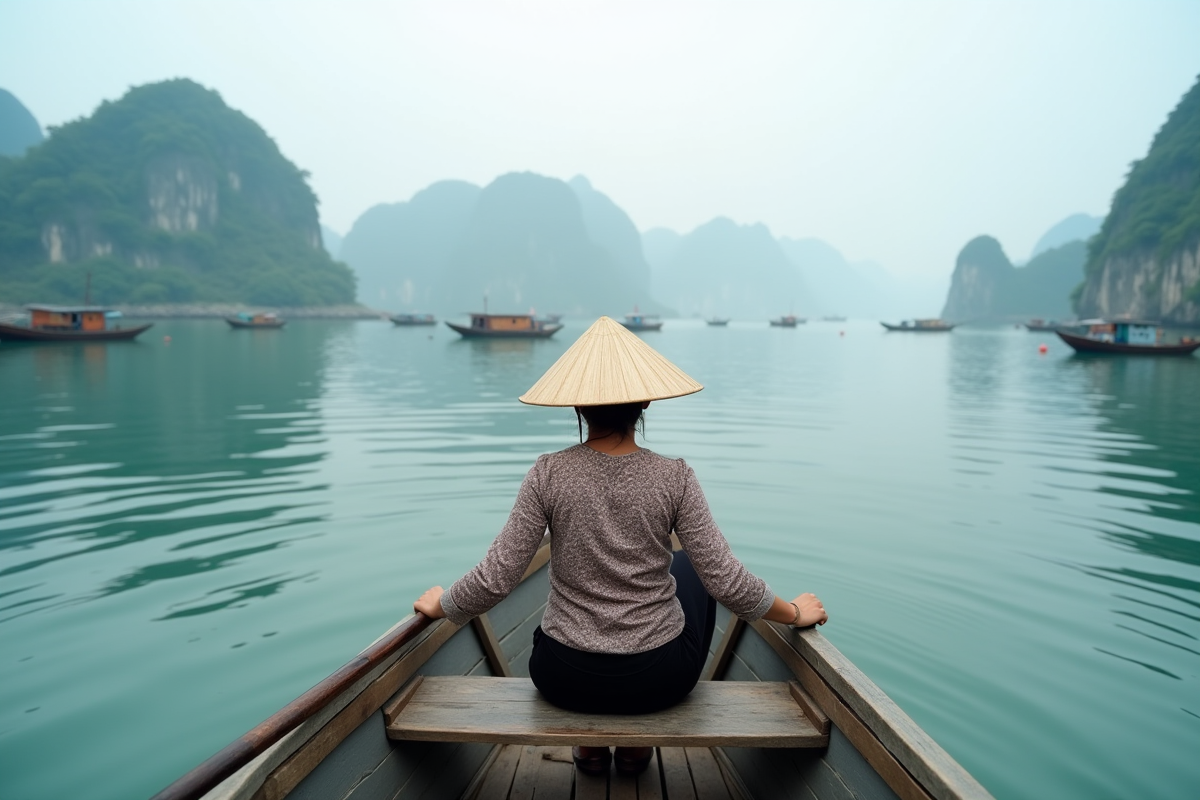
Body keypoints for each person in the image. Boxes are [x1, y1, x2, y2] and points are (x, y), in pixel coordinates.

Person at [413, 316, 828, 776]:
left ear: (579, 406)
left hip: (563, 676)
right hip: (657, 679)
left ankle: (590, 752)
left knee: (682, 568)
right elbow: (726, 581)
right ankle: (634, 752)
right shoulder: (676, 477)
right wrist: (793, 611)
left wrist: (442, 605)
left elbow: (497, 578)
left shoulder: (547, 474)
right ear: (646, 400)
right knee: (691, 566)